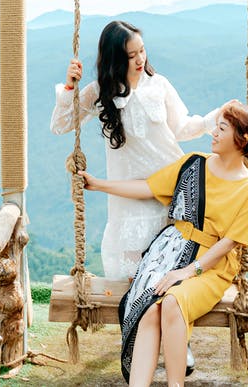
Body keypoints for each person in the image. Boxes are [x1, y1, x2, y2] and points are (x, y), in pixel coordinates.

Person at [78, 102, 248, 386]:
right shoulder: (194, 163)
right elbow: (149, 187)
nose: (214, 133)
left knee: (171, 301)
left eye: (222, 128)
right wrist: (98, 185)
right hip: (169, 252)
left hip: (211, 266)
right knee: (149, 308)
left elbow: (229, 243)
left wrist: (187, 272)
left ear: (242, 139)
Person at [51, 20, 223, 280]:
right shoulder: (100, 92)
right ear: (115, 59)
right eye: (131, 55)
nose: (140, 59)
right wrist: (69, 87)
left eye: (142, 50)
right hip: (130, 197)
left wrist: (214, 119)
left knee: (170, 271)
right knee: (132, 274)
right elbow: (61, 124)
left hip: (171, 187)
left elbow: (181, 128)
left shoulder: (159, 84)